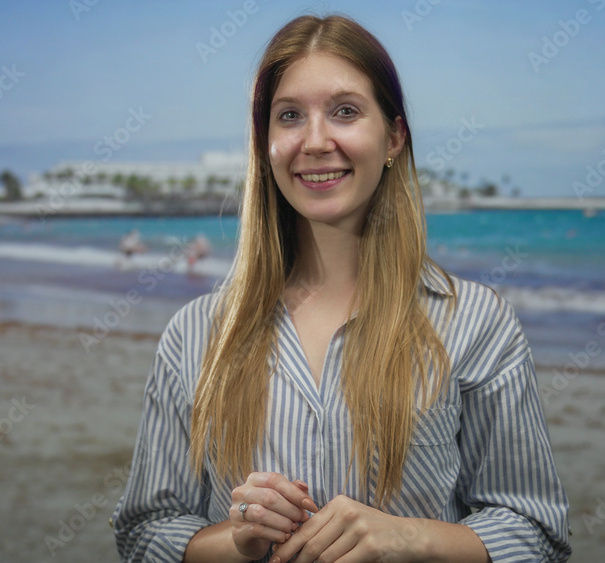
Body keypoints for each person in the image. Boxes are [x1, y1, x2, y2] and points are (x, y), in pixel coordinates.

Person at [113, 14, 571, 563]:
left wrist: (409, 538)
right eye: (289, 116)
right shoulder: (194, 334)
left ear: (394, 137)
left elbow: (537, 533)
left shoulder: (476, 323)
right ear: (265, 143)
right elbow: (144, 533)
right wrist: (238, 539)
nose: (314, 141)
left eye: (345, 111)